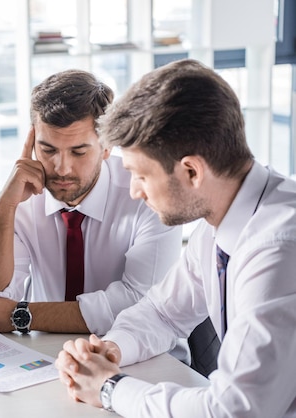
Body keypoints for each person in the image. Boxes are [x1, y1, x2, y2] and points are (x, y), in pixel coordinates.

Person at [55, 58, 296, 417]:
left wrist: (109, 388)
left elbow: (234, 411)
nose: (134, 191)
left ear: (191, 171)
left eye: (140, 175)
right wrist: (111, 349)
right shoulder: (220, 224)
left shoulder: (276, 248)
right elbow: (163, 313)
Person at [0, 69, 182, 339]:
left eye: (78, 151)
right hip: (47, 359)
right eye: (48, 150)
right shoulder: (22, 196)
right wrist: (4, 209)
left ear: (107, 146)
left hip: (147, 361)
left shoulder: (147, 195)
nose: (61, 168)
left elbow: (140, 304)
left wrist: (19, 315)